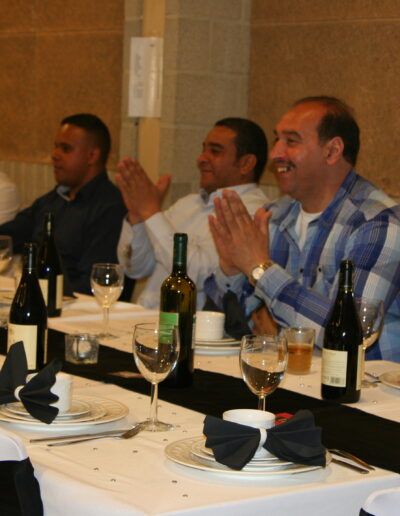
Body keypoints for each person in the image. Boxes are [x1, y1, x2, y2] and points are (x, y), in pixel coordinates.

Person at [205, 96, 400, 362]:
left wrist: (260, 270)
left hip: (362, 384)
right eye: (277, 139)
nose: (275, 154)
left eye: (291, 141)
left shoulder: (377, 223)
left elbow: (350, 334)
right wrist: (231, 269)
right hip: (288, 376)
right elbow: (229, 325)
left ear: (332, 151)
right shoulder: (274, 216)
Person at [116, 117, 270, 309]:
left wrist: (151, 212)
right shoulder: (187, 204)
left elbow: (200, 276)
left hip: (192, 326)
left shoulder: (253, 213)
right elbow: (136, 268)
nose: (201, 159)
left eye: (215, 151)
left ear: (246, 163)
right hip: (148, 318)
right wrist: (137, 217)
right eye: (203, 149)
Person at [0, 114, 126, 294]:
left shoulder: (111, 208)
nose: (55, 155)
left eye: (66, 149)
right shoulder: (53, 200)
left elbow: (92, 284)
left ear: (92, 155)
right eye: (56, 147)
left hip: (75, 305)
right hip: (37, 297)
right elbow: (8, 237)